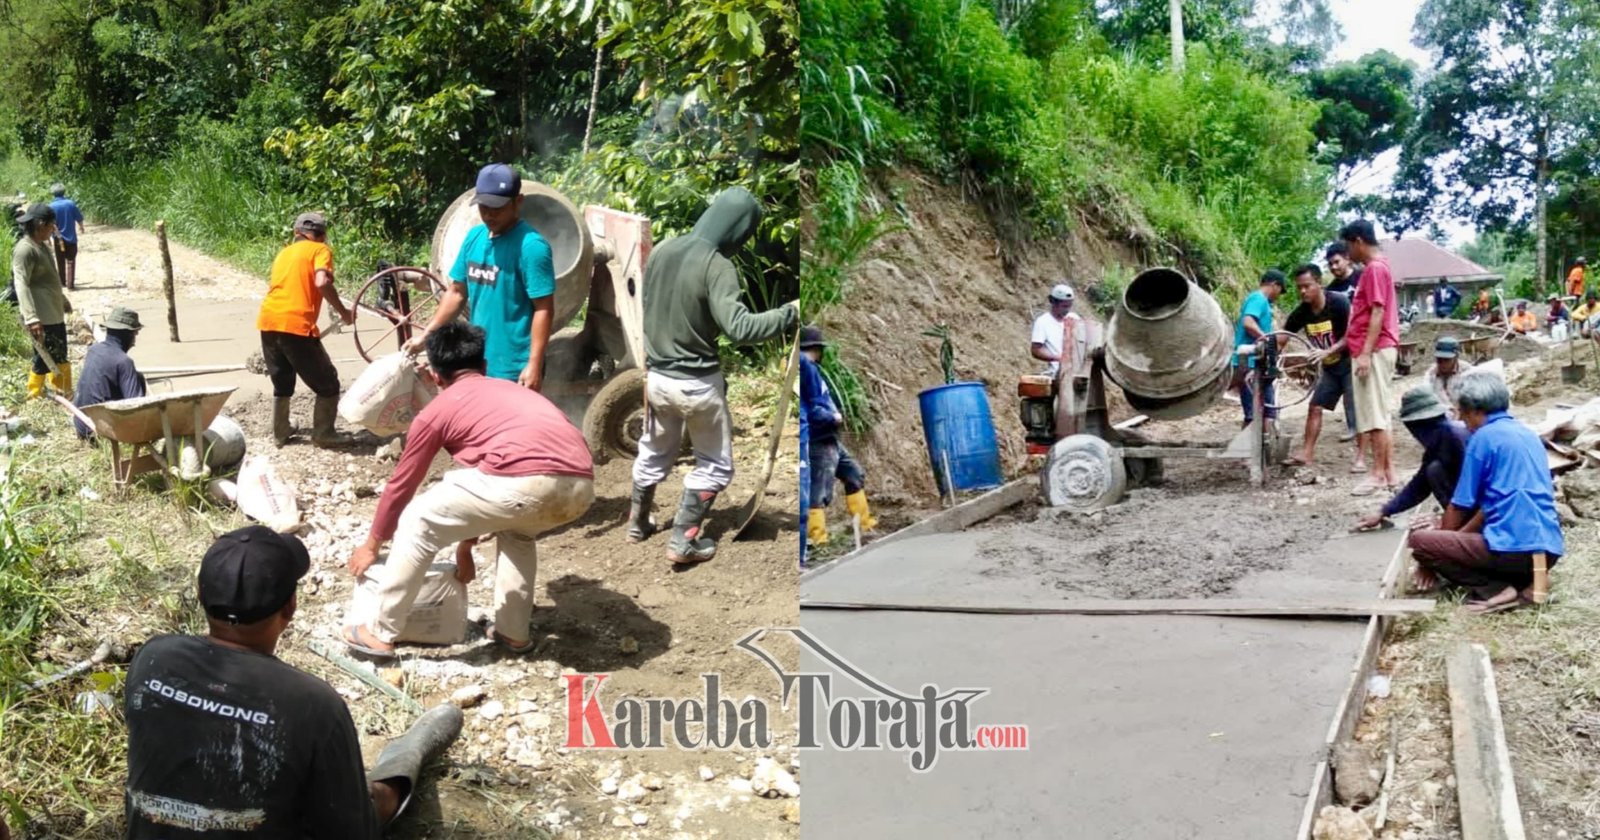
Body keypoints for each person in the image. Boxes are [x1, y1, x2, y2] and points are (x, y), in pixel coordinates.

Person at [125, 526, 464, 838]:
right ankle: (407, 756)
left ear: (200, 595)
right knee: (372, 798)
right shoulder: (313, 704)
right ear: (290, 607)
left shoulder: (153, 658)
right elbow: (352, 831)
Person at [344, 322, 595, 658]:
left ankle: (379, 631)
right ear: (484, 365)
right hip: (581, 484)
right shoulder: (512, 391)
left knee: (418, 519)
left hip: (521, 480)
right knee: (518, 533)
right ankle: (513, 634)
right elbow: (483, 489)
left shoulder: (437, 411)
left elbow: (402, 485)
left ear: (435, 376)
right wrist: (465, 547)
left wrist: (371, 545)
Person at [626, 186, 799, 566]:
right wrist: (790, 313)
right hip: (696, 385)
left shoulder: (664, 249)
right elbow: (741, 328)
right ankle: (684, 541)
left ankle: (637, 523)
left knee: (655, 449)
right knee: (715, 465)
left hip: (657, 380)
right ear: (739, 230)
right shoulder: (717, 265)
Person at [1406, 371, 1564, 613]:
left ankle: (1497, 590)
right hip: (1547, 552)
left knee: (1419, 542)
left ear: (1475, 411)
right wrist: (1455, 539)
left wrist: (1433, 553)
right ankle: (1533, 584)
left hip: (1513, 551)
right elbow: (1492, 505)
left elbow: (1460, 505)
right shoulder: (1529, 435)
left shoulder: (1483, 438)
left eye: (1462, 412)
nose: (1461, 419)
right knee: (1480, 538)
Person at [407, 164, 555, 391]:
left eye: (497, 207)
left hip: (515, 367)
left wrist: (534, 364)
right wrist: (426, 336)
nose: (489, 214)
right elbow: (457, 292)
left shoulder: (531, 247)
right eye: (483, 206)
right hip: (477, 362)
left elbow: (544, 309)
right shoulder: (474, 237)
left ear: (518, 202)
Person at [256, 211, 355, 447]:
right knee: (328, 383)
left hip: (268, 320)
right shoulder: (320, 250)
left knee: (282, 380)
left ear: (296, 233)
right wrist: (344, 312)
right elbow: (322, 282)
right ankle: (324, 434)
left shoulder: (284, 253)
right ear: (322, 235)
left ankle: (280, 430)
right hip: (296, 325)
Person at [1279, 264, 1362, 471]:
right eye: (1299, 287)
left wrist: (1328, 351)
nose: (1303, 291)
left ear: (1319, 283)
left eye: (1307, 286)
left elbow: (1351, 334)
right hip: (1330, 368)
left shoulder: (1339, 303)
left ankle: (1360, 458)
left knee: (1358, 412)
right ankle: (1306, 454)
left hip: (1351, 363)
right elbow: (1283, 337)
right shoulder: (1301, 312)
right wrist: (1270, 352)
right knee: (1315, 407)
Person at [1340, 219, 1402, 496]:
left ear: (1358, 241)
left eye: (1348, 246)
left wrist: (1365, 352)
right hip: (1376, 348)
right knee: (1380, 414)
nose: (1348, 253)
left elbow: (1377, 311)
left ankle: (1377, 474)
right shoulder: (1378, 268)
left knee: (1375, 415)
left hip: (1374, 350)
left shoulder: (1374, 269)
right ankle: (1389, 474)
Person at [800, 325, 876, 548]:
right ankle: (818, 539)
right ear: (817, 349)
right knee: (819, 490)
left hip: (830, 438)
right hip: (819, 439)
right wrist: (832, 417)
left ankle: (865, 525)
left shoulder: (813, 370)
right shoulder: (807, 371)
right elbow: (811, 409)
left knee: (854, 474)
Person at [1356, 387, 1471, 533]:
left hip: (1483, 511)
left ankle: (1460, 523)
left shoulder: (1454, 438)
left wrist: (1446, 520)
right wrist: (1384, 511)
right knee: (1433, 469)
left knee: (1435, 470)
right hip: (1471, 505)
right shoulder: (1440, 439)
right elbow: (1420, 485)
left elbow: (1472, 488)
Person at [15, 203, 71, 399]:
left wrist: (62, 299)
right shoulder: (25, 250)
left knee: (59, 353)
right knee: (43, 357)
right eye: (51, 225)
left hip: (53, 312)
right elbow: (21, 283)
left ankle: (61, 391)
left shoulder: (41, 246)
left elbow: (50, 278)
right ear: (40, 224)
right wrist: (31, 317)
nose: (53, 229)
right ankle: (35, 394)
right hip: (42, 316)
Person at [73, 305, 147, 439]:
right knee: (138, 380)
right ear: (128, 334)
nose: (135, 339)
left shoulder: (94, 350)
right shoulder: (123, 361)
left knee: (137, 377)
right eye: (135, 333)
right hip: (101, 433)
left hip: (81, 424)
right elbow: (136, 407)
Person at [1234, 269, 1286, 427]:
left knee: (1268, 410)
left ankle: (1265, 440)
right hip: (1249, 362)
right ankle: (1249, 441)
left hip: (1259, 363)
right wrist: (1267, 340)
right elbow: (1248, 323)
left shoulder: (1261, 301)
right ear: (1275, 285)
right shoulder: (1258, 299)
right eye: (1280, 290)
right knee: (1252, 414)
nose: (1278, 295)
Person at [1029, 283, 1087, 377]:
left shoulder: (1074, 318)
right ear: (1053, 302)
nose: (1067, 310)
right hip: (1058, 372)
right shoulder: (1043, 322)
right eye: (1064, 306)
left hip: (1078, 371)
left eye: (1069, 306)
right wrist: (1060, 358)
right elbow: (1036, 350)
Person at [1423, 336, 1474, 420]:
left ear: (1456, 357)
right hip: (1442, 417)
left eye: (1447, 360)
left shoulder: (1468, 371)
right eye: (1439, 360)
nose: (1442, 364)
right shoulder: (1430, 375)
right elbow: (1427, 399)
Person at [48, 183, 84, 291]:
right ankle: (70, 284)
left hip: (58, 238)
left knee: (60, 260)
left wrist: (48, 238)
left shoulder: (51, 206)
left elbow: (49, 224)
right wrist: (81, 227)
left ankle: (62, 282)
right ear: (64, 192)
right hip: (71, 237)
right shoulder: (70, 204)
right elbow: (79, 217)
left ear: (53, 193)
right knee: (71, 259)